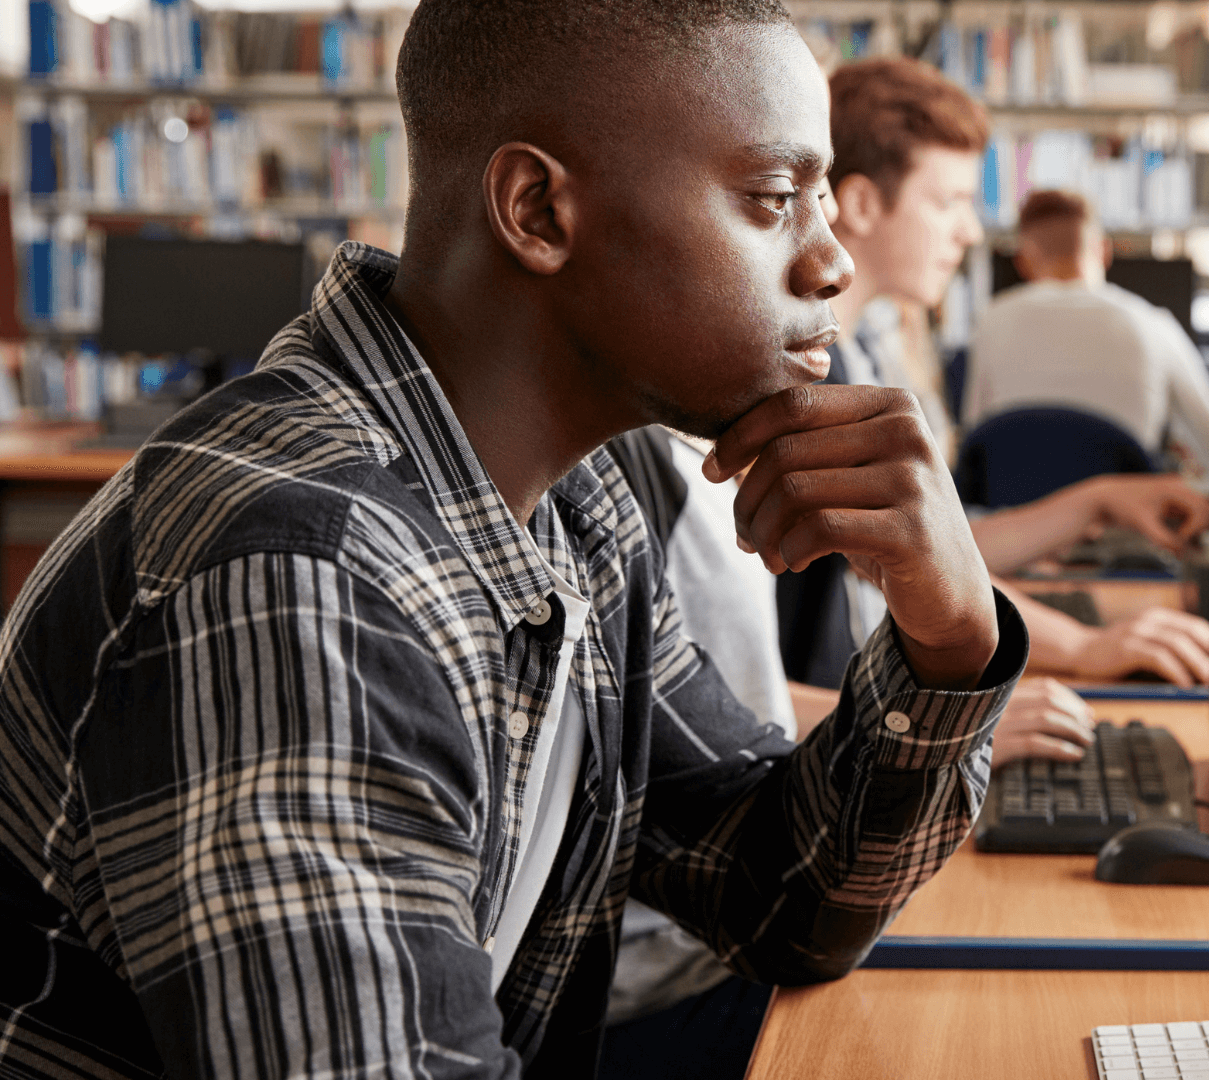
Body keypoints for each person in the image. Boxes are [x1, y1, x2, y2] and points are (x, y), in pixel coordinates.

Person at [0, 3, 1026, 1076]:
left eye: (822, 203)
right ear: (537, 210)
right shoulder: (302, 573)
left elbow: (779, 897)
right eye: (772, 201)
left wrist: (947, 631)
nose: (831, 266)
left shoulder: (577, 515)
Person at [779, 55, 1209, 700]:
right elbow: (921, 566)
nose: (969, 230)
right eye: (948, 201)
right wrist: (1083, 649)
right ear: (862, 205)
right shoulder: (812, 377)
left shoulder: (855, 351)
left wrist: (1096, 501)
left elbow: (936, 551)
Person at [963, 189, 1209, 480]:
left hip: (1014, 527)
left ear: (1022, 261)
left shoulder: (990, 322)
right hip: (1127, 526)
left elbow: (972, 439)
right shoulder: (1152, 324)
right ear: (1104, 251)